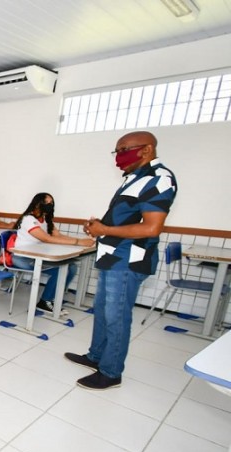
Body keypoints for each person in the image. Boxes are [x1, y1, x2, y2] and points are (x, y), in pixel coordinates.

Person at [65, 131, 177, 390]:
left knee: (117, 316)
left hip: (128, 260)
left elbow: (151, 228)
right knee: (103, 311)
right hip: (112, 256)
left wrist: (104, 230)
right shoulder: (134, 179)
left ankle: (111, 371)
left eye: (124, 149)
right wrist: (98, 227)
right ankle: (95, 356)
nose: (119, 156)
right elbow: (126, 219)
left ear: (147, 149)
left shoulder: (159, 178)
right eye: (117, 151)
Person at [11, 193, 95, 313]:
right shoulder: (28, 219)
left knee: (71, 267)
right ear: (38, 203)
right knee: (60, 270)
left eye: (52, 203)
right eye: (47, 202)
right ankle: (44, 301)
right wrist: (79, 242)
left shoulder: (46, 219)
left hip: (37, 255)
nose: (50, 205)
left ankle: (50, 298)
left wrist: (82, 241)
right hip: (22, 257)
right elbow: (46, 238)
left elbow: (58, 236)